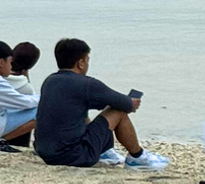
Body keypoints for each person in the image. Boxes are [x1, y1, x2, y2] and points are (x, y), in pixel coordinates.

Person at [35, 39, 168, 169]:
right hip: (74, 155)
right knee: (118, 111)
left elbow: (78, 103)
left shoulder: (50, 81)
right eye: (87, 60)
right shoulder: (86, 84)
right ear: (81, 63)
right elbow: (126, 105)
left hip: (46, 153)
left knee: (82, 111)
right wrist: (131, 102)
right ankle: (137, 157)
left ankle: (105, 152)